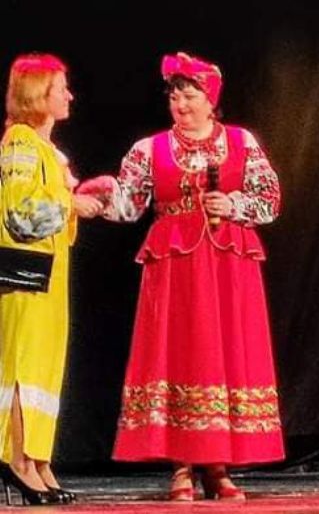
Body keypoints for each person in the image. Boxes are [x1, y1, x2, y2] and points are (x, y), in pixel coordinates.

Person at [78, 53, 283, 500]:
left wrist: (234, 205)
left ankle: (219, 466)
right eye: (174, 97)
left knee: (224, 353)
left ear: (211, 100)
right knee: (180, 352)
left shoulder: (241, 141)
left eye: (190, 96)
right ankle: (181, 465)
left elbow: (269, 198)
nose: (181, 105)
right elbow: (129, 204)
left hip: (228, 262)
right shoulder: (149, 149)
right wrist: (103, 193)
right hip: (176, 265)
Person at [0, 54, 101, 505]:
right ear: (39, 94)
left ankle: (37, 458)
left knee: (43, 369)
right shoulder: (20, 142)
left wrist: (79, 197)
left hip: (49, 274)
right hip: (25, 276)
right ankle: (17, 459)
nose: (69, 96)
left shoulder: (46, 150)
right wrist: (69, 204)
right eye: (61, 88)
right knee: (23, 368)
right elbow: (19, 212)